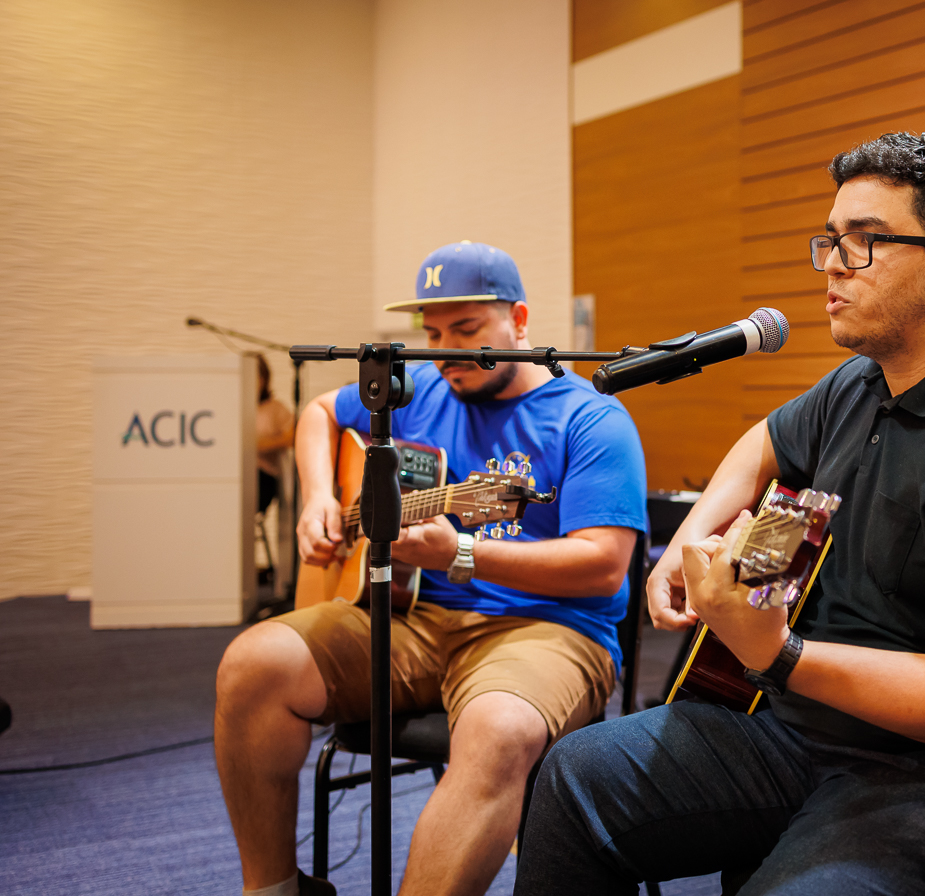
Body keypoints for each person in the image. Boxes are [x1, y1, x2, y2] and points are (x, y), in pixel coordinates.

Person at [513, 133, 925, 896]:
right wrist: (690, 539)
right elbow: (762, 444)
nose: (832, 265)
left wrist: (780, 654)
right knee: (575, 778)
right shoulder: (861, 381)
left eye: (866, 242)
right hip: (827, 729)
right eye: (831, 240)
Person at [214, 242, 648, 896]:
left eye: (466, 330)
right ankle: (274, 890)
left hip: (548, 629)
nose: (445, 351)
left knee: (497, 730)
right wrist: (318, 498)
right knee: (252, 665)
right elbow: (319, 413)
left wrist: (462, 553)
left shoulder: (590, 418)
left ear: (519, 319)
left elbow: (603, 567)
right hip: (410, 614)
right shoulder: (420, 390)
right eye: (434, 334)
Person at [254, 353, 295, 515]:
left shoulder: (275, 408)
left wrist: (261, 445)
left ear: (264, 379)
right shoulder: (230, 408)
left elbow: (293, 436)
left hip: (263, 476)